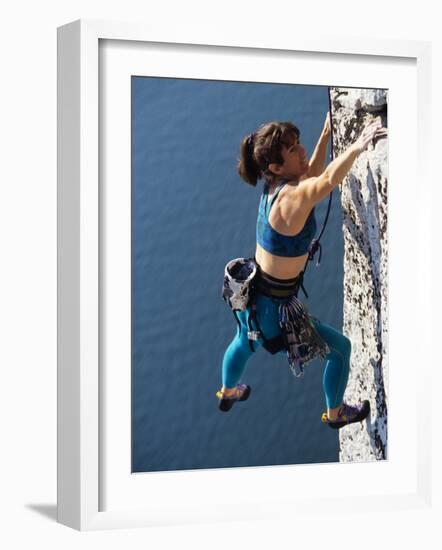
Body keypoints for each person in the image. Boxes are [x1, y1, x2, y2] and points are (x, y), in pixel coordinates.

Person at [216, 113, 387, 429]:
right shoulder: (291, 198)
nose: (301, 150)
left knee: (243, 341)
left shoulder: (275, 189)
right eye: (292, 149)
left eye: (298, 144)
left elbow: (311, 177)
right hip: (274, 310)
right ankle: (335, 415)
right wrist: (359, 146)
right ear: (275, 168)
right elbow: (322, 183)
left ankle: (228, 392)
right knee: (341, 349)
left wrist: (325, 135)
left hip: (252, 295)